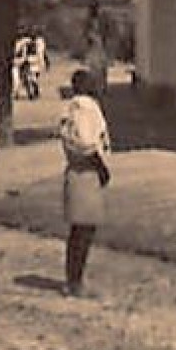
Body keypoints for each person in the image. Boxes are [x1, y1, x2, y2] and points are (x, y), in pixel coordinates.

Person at [59, 69, 111, 297]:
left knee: (80, 230)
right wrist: (102, 168)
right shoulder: (85, 108)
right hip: (86, 171)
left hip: (77, 171)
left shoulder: (71, 107)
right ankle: (75, 282)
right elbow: (86, 143)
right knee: (83, 231)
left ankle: (73, 279)